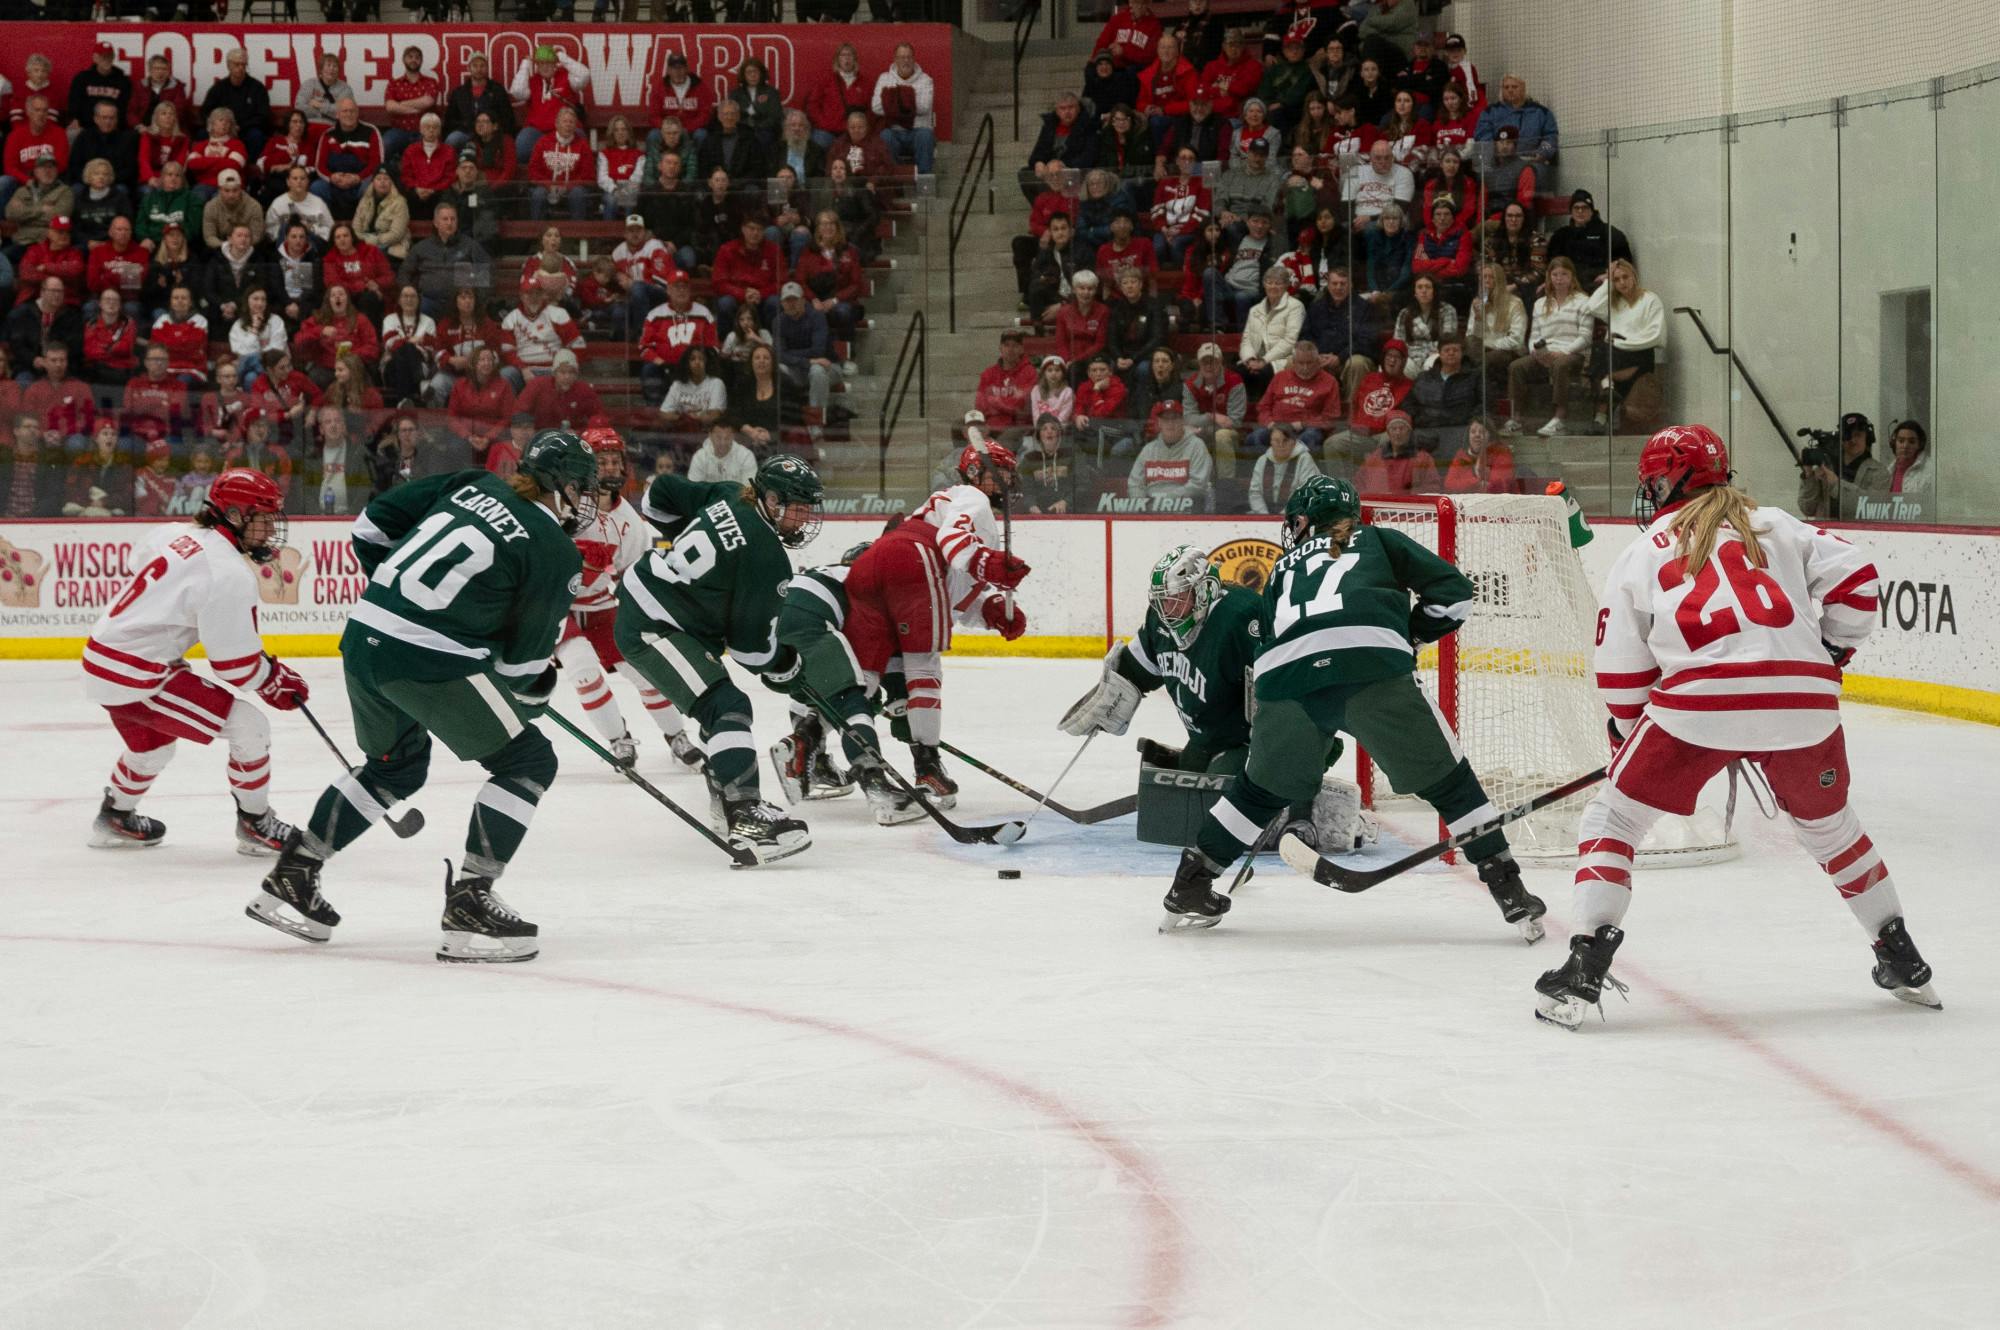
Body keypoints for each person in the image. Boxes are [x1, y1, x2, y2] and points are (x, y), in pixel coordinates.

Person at [1537, 424, 1934, 1026]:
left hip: (1697, 706)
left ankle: (1585, 963)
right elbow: (1859, 582)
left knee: (1613, 820)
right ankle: (1900, 953)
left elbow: (1621, 670)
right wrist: (1828, 656)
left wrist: (1627, 735)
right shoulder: (1777, 523)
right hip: (1804, 703)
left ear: (1667, 482)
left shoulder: (1644, 550)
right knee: (1833, 831)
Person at [249, 431, 594, 963]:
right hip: (428, 659)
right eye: (581, 486)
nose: (586, 498)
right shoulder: (555, 550)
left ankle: (294, 873)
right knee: (528, 760)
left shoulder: (473, 483)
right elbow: (521, 672)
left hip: (365, 635)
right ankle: (471, 900)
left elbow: (369, 527)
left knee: (395, 768)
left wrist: (405, 603)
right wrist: (535, 690)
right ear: (561, 484)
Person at [1154, 474, 1545, 934]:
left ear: (1304, 520)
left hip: (1285, 682)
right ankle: (1508, 889)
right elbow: (1454, 594)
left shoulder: (1280, 569)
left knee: (1257, 792)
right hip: (1370, 667)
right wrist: (1410, 635)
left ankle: (1190, 882)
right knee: (1451, 785)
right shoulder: (1379, 539)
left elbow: (1267, 639)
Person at [80, 467, 304, 855]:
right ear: (234, 515)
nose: (271, 529)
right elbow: (235, 666)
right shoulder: (227, 572)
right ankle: (255, 824)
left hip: (104, 658)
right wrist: (274, 680)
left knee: (153, 747)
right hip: (136, 673)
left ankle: (114, 816)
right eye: (264, 519)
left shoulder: (175, 533)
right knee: (250, 727)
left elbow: (138, 560)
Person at [618, 455, 825, 862]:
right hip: (654, 623)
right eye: (799, 506)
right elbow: (750, 650)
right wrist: (785, 666)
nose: (805, 517)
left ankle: (723, 797)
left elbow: (658, 494)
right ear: (771, 499)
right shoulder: (767, 558)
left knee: (718, 707)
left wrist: (689, 538)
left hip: (662, 610)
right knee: (727, 706)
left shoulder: (729, 494)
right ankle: (745, 815)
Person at [842, 442, 1030, 805]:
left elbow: (949, 594)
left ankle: (807, 739)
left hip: (878, 561)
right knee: (923, 665)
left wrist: (991, 609)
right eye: (1003, 473)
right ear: (977, 474)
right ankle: (927, 766)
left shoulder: (950, 502)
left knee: (864, 676)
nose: (1009, 481)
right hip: (915, 558)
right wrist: (988, 564)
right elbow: (951, 542)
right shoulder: (974, 497)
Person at [556, 425, 703, 773]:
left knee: (644, 671)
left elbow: (631, 579)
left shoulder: (631, 523)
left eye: (614, 461)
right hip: (559, 609)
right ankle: (618, 739)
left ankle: (676, 736)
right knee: (582, 669)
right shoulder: (563, 506)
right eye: (601, 461)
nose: (610, 468)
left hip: (602, 608)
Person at [1506, 257, 1591, 437]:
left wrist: (1563, 352)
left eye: (1564, 274)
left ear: (1572, 277)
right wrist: (1536, 352)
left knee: (1560, 364)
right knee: (1516, 367)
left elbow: (1585, 337)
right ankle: (1516, 418)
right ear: (1549, 277)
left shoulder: (1583, 301)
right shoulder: (1540, 304)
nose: (1559, 279)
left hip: (1573, 352)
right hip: (1546, 352)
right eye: (1555, 275)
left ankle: (1559, 418)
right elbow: (1534, 335)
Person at [1583, 256, 1665, 431]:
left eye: (1625, 277)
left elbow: (1657, 336)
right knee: (1600, 349)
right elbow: (1591, 307)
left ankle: (1601, 414)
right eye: (1616, 279)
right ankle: (1608, 392)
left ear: (1634, 276)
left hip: (1640, 354)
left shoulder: (1650, 299)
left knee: (1601, 358)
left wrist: (1623, 343)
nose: (1622, 283)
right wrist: (1607, 281)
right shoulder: (1615, 303)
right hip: (1614, 355)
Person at [1249, 338, 1339, 456]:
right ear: (1293, 361)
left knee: (1309, 438)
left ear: (1318, 361)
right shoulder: (1280, 377)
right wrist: (1270, 423)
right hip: (1277, 426)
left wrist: (1303, 424)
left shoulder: (1329, 381)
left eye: (1309, 363)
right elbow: (1263, 407)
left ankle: (1291, 464)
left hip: (1307, 429)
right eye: (1301, 363)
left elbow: (1330, 418)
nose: (1305, 367)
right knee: (1255, 438)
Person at [1797, 411, 1888, 520]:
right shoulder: (1827, 467)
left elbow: (1873, 509)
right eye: (1847, 435)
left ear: (1867, 438)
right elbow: (1807, 509)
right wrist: (1809, 475)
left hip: (1859, 529)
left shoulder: (1879, 472)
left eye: (1858, 435)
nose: (1853, 440)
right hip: (1825, 529)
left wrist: (1836, 484)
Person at [510, 45, 590, 166]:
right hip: (537, 130)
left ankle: (570, 175)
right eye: (541, 63)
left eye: (549, 63)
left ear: (555, 64)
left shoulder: (567, 78)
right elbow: (517, 92)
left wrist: (561, 57)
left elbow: (584, 75)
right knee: (521, 149)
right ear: (537, 66)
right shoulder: (532, 81)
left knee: (581, 151)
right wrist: (525, 65)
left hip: (565, 127)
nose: (545, 66)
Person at [1127, 400, 1212, 511]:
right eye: (1165, 419)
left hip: (1186, 510)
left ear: (1182, 421)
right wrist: (1140, 505)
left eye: (1175, 418)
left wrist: (1164, 502)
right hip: (1150, 510)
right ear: (1159, 422)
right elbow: (1135, 483)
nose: (1170, 423)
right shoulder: (1148, 450)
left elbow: (1198, 485)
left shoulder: (1197, 446)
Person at [1544, 189, 1631, 291]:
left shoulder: (1608, 233)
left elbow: (1624, 263)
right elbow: (1552, 265)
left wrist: (1607, 276)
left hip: (1601, 286)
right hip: (1569, 287)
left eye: (1584, 208)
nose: (1580, 211)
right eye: (1576, 208)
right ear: (1571, 211)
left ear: (1592, 210)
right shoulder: (1560, 236)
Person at [1238, 267, 1305, 399]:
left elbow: (1290, 341)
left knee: (1262, 374)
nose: (1273, 286)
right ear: (1264, 285)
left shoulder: (1295, 306)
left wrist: (1264, 360)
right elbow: (1246, 340)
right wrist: (1250, 359)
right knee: (1236, 374)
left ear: (1286, 285)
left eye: (1278, 283)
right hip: (1255, 361)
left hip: (1282, 360)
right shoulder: (1254, 310)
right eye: (1269, 282)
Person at [871, 43, 937, 176]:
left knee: (926, 135)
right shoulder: (884, 78)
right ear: (895, 59)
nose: (905, 61)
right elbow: (876, 107)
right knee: (884, 136)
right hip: (893, 131)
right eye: (902, 57)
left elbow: (924, 107)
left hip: (918, 131)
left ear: (913, 59)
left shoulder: (926, 80)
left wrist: (893, 100)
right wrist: (909, 99)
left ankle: (924, 180)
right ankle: (896, 178)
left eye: (909, 57)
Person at [1407, 336, 1478, 454]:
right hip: (1426, 429)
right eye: (1447, 350)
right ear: (1439, 353)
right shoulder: (1424, 377)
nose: (1451, 353)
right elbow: (1410, 403)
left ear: (1462, 353)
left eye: (1455, 350)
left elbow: (1484, 404)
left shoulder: (1474, 377)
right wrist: (1417, 420)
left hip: (1460, 430)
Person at [1473, 75, 1559, 167]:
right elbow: (1482, 136)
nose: (1510, 90)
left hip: (1532, 164)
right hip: (1500, 165)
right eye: (1506, 87)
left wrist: (1543, 153)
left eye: (1514, 87)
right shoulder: (1490, 112)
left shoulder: (1541, 113)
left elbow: (1551, 137)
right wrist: (1494, 154)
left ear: (1523, 88)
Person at [200, 49, 271, 159]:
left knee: (256, 136)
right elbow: (205, 111)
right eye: (237, 64)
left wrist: (240, 126)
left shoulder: (257, 88)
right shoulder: (219, 88)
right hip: (221, 129)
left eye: (243, 64)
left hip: (246, 129)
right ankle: (207, 164)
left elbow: (263, 115)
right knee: (202, 134)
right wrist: (217, 125)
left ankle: (251, 166)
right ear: (229, 66)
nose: (241, 68)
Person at [1247, 421, 1321, 513]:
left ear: (1293, 442)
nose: (1281, 445)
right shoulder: (1263, 460)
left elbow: (1306, 493)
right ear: (1271, 442)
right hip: (1264, 515)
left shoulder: (1304, 459)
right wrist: (1264, 515)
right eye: (1276, 441)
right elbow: (1255, 492)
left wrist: (1284, 516)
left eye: (1285, 440)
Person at [974, 330, 1037, 433]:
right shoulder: (988, 374)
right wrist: (1007, 404)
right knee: (960, 427)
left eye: (1015, 346)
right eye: (1006, 345)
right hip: (990, 426)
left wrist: (995, 402)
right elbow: (980, 405)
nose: (1010, 350)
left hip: (1017, 427)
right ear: (1000, 348)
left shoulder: (1029, 372)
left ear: (1021, 349)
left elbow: (1021, 405)